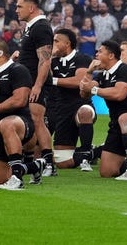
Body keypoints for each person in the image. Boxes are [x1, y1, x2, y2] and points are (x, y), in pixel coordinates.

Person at [0, 38, 45, 190]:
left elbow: (19, 100)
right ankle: (33, 166)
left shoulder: (17, 70)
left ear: (0, 53)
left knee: (7, 123)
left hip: (21, 123)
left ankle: (17, 178)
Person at [79, 40, 127, 180]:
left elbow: (119, 94)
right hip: (116, 124)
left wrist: (93, 89)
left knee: (125, 118)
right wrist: (89, 72)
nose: (96, 54)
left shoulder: (125, 70)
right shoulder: (102, 75)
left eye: (100, 52)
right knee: (107, 172)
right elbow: (83, 93)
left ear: (111, 55)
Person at [13, 0, 56, 175]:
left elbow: (45, 60)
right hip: (27, 81)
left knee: (37, 120)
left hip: (34, 83)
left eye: (19, 6)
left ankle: (48, 163)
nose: (16, 10)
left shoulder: (41, 27)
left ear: (31, 8)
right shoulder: (31, 27)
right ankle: (30, 160)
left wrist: (38, 86)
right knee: (30, 120)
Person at [49, 28, 95, 171]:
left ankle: (86, 154)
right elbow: (45, 76)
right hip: (61, 110)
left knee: (85, 112)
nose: (53, 44)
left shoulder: (83, 58)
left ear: (67, 43)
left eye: (56, 41)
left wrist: (54, 80)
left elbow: (79, 82)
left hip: (80, 105)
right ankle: (95, 152)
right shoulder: (53, 61)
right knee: (62, 162)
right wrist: (49, 57)